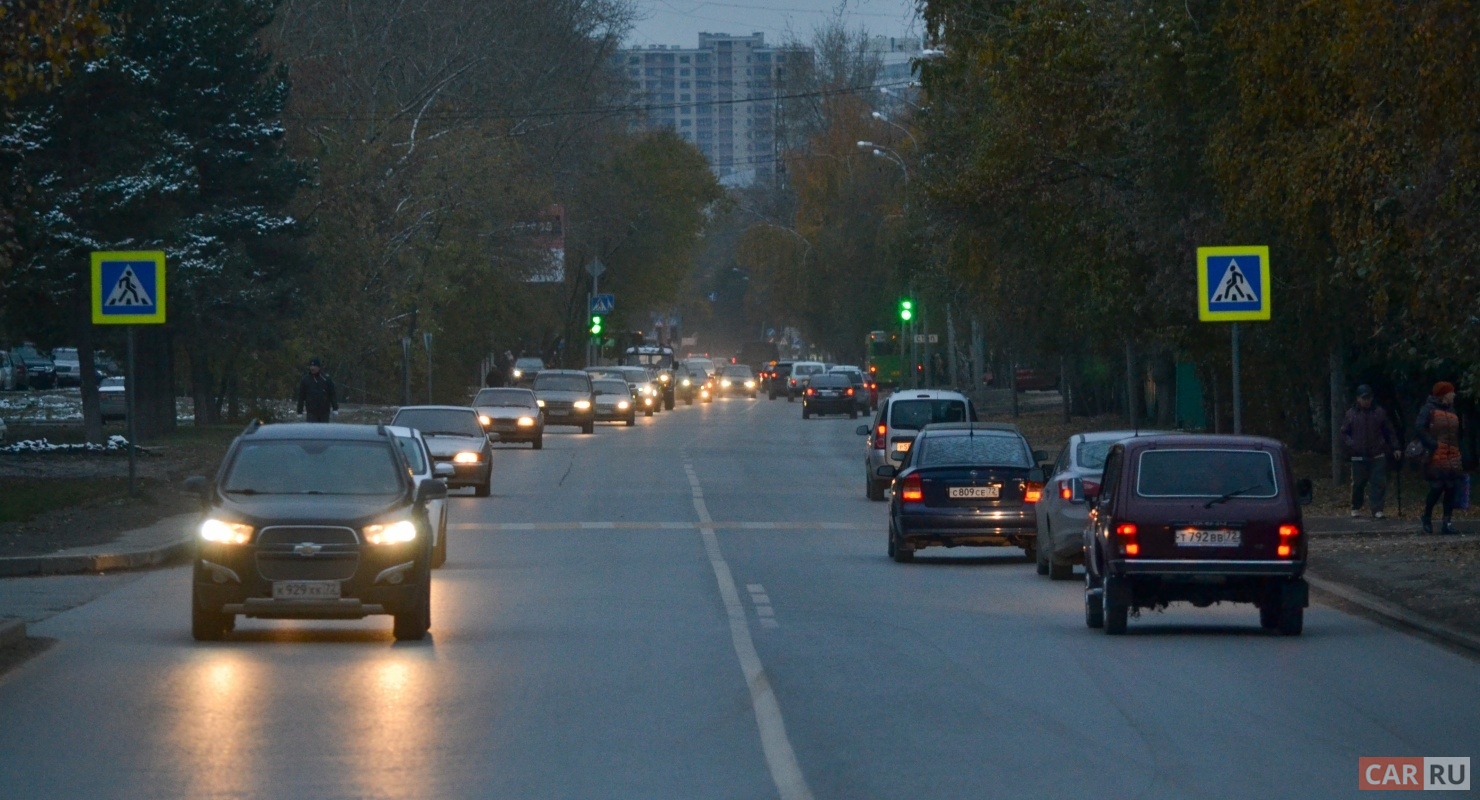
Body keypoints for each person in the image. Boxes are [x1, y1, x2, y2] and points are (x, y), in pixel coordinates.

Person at [1340, 384, 1401, 519]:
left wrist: (1395, 447)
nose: (1367, 401)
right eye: (1364, 398)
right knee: (1358, 483)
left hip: (1377, 453)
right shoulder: (1351, 414)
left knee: (1378, 482)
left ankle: (1377, 509)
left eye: (1369, 398)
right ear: (1358, 399)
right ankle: (1356, 506)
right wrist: (1352, 444)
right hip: (1358, 455)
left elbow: (1389, 431)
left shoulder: (1379, 413)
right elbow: (1344, 433)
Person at [1415, 381, 1463, 534]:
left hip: (1452, 453)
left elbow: (1457, 432)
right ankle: (1427, 517)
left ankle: (1447, 522)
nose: (1454, 395)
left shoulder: (1452, 410)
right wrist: (1432, 444)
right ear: (1444, 394)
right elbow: (1419, 427)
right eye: (1451, 392)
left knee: (1451, 488)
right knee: (1437, 487)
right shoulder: (1428, 409)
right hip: (1436, 454)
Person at [296, 357, 338, 423]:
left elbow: (332, 394)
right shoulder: (305, 380)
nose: (312, 368)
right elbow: (301, 397)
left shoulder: (326, 379)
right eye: (311, 366)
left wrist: (335, 408)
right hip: (311, 412)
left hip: (324, 412)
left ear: (318, 367)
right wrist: (299, 412)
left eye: (314, 366)